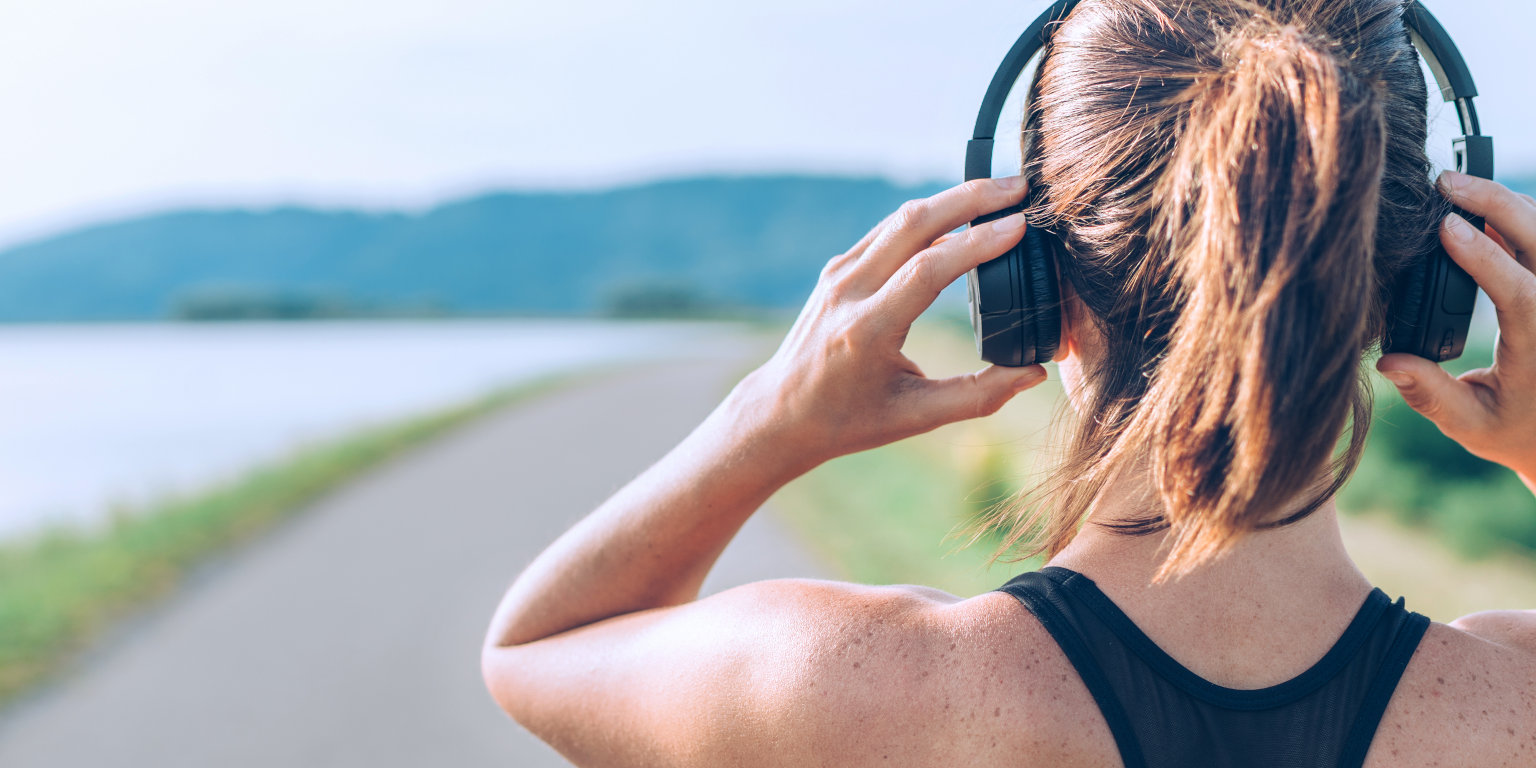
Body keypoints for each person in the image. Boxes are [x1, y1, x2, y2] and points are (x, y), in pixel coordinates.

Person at [481, 0, 1536, 765]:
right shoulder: (1508, 713)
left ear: (1027, 290)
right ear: (1416, 293)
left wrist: (768, 417)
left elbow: (540, 648)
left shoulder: (865, 690)